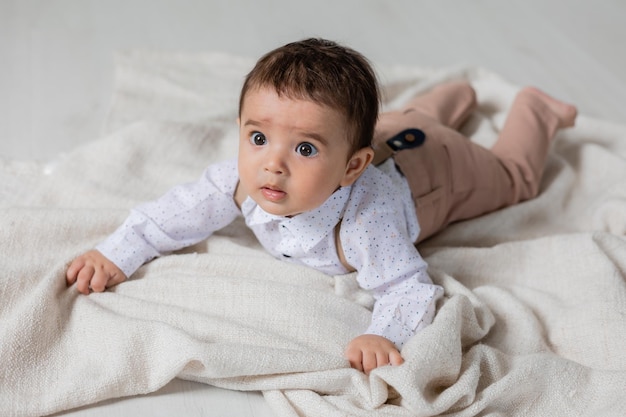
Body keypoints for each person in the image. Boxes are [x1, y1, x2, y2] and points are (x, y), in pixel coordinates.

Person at [66, 38, 577, 374]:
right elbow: (170, 215)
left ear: (352, 169)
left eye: (305, 149)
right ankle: (455, 95)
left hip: (436, 171)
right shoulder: (238, 181)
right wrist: (118, 253)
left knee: (512, 177)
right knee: (402, 119)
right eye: (259, 136)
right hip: (387, 135)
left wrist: (382, 334)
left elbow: (406, 287)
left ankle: (534, 108)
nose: (273, 164)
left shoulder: (364, 223)